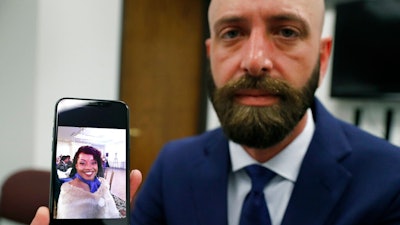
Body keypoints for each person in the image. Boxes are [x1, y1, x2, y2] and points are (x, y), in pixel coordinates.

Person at [31, 0, 400, 224]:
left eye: (286, 31)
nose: (255, 62)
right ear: (210, 55)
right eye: (232, 33)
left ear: (322, 57)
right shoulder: (173, 165)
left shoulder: (389, 180)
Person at [56, 145, 119, 218]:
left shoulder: (103, 185)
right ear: (76, 165)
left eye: (93, 163)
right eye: (82, 163)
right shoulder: (68, 191)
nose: (88, 167)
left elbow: (112, 213)